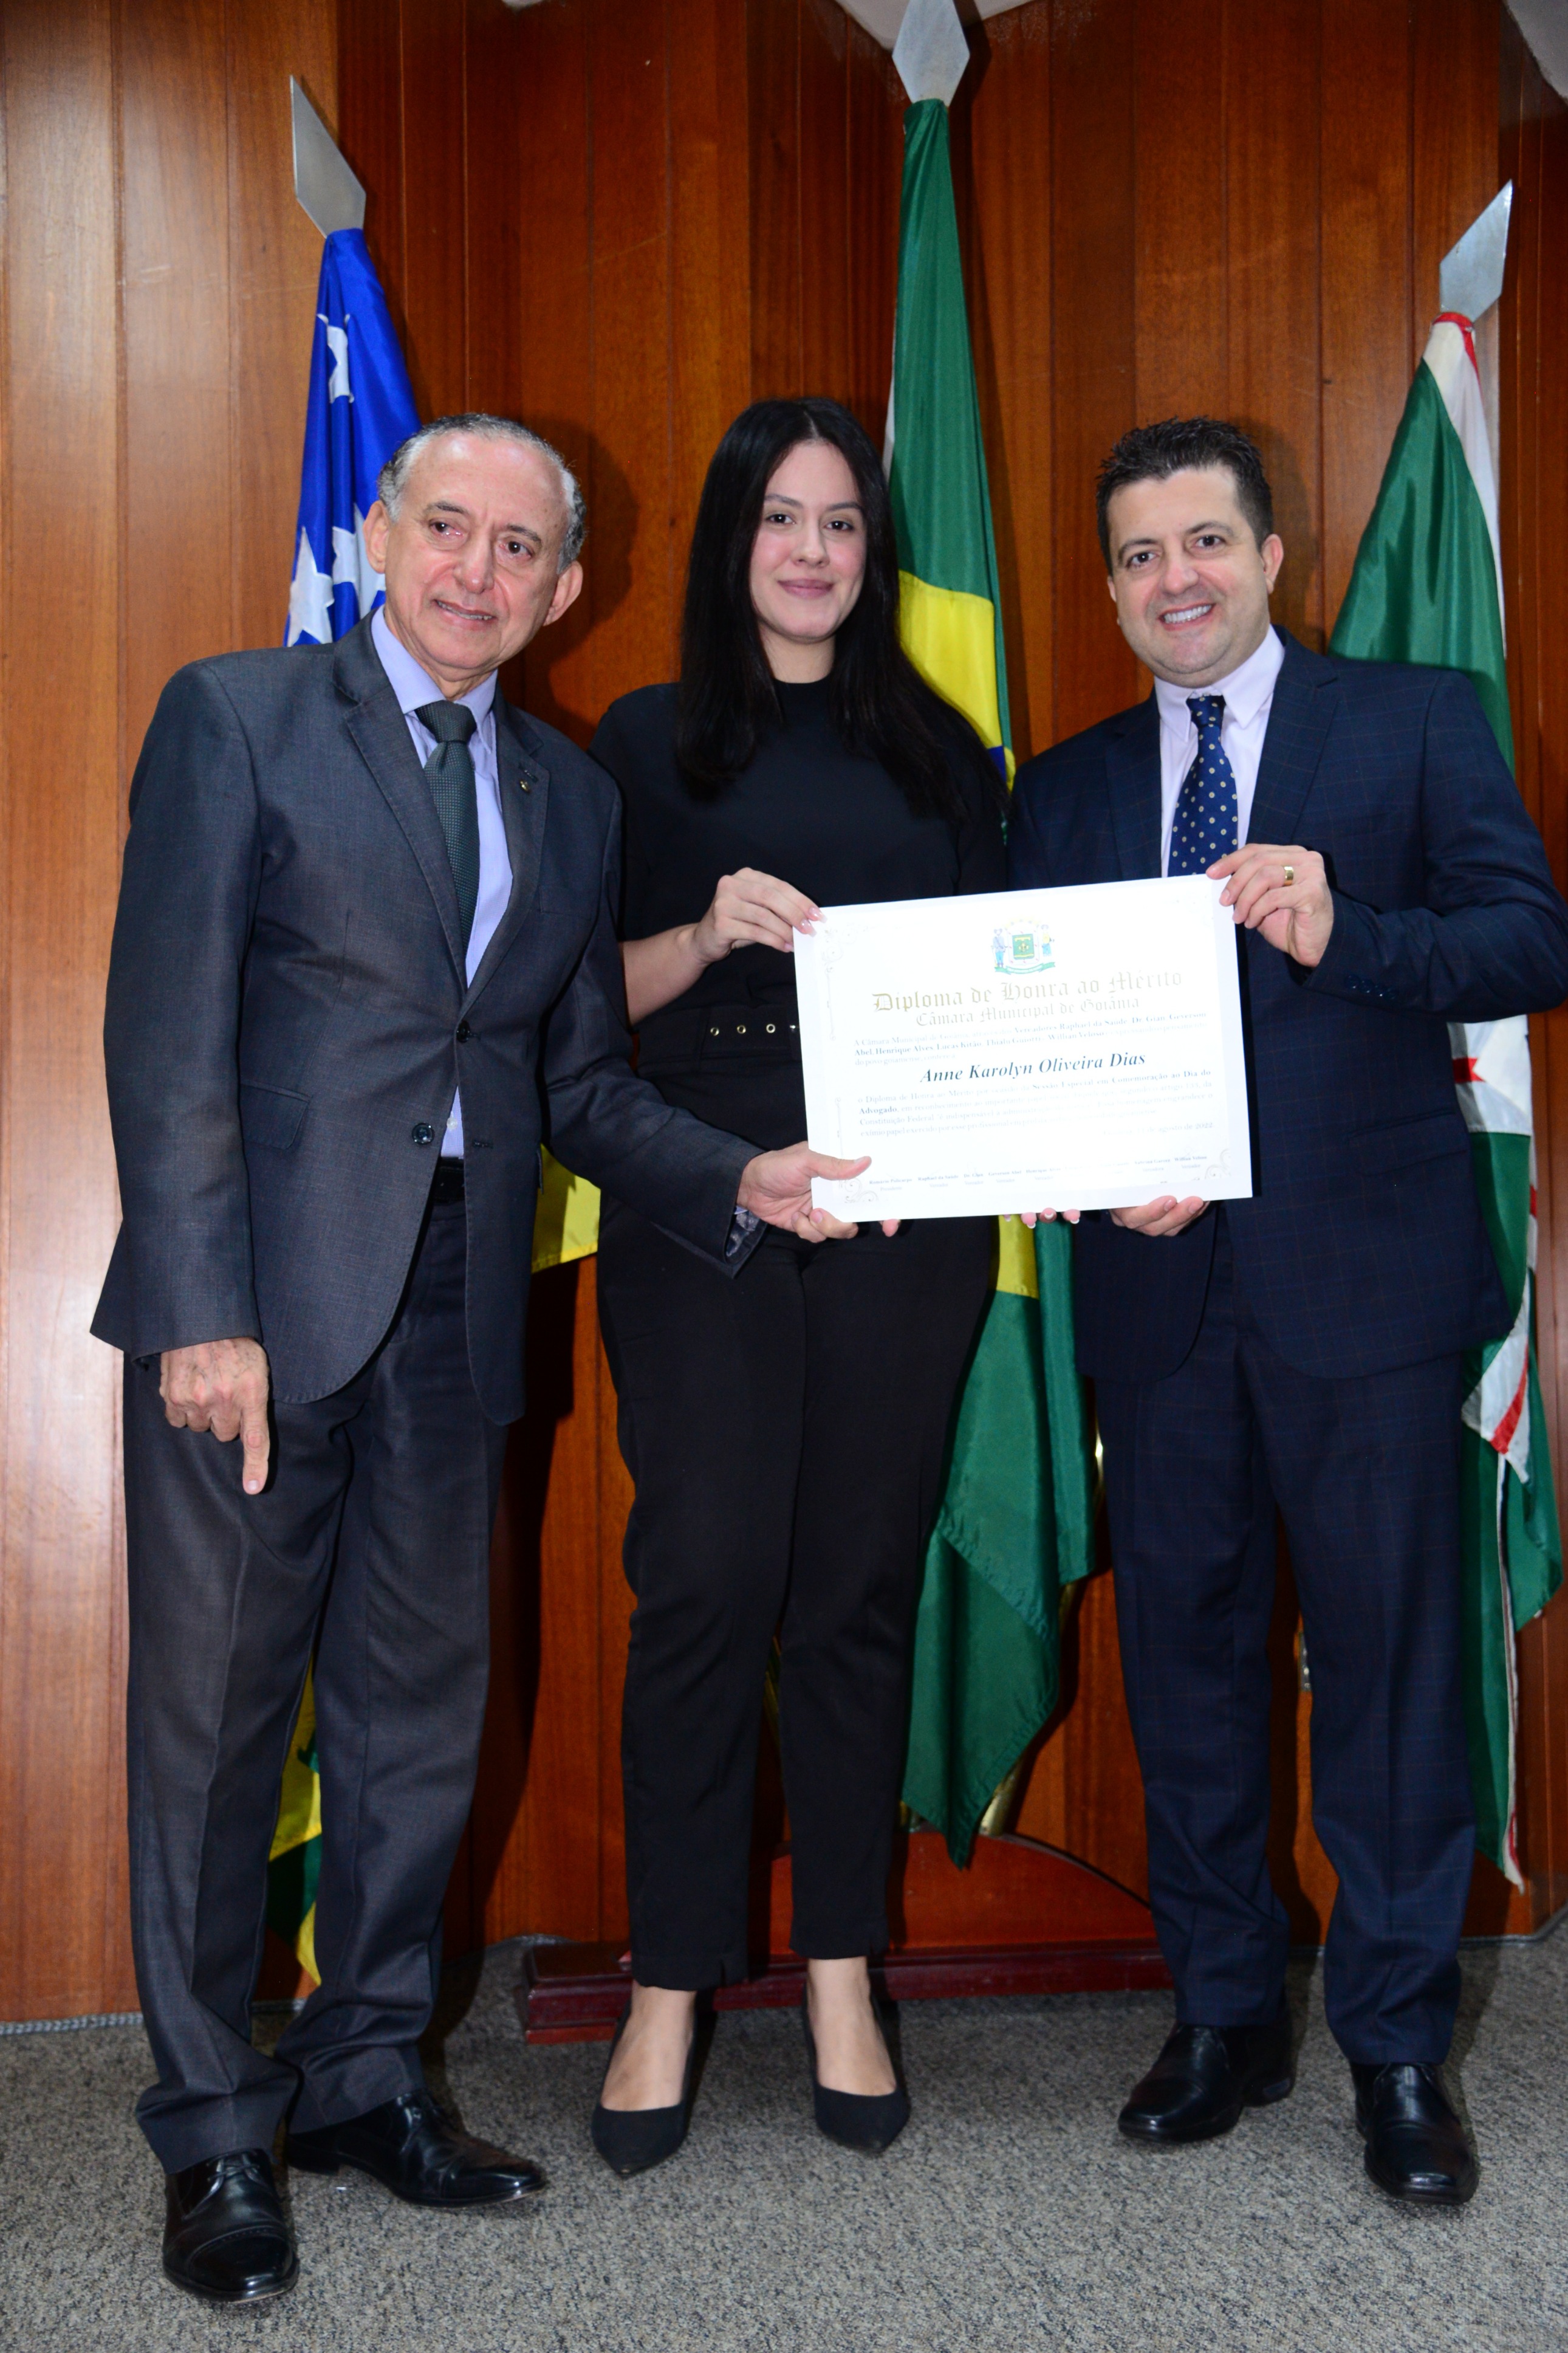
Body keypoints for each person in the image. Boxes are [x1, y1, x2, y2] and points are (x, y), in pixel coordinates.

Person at [93, 413, 868, 2305]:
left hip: (463, 1301)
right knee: (217, 1729)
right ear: (382, 531)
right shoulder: (239, 717)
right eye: (448, 527)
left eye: (520, 550)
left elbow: (578, 1080)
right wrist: (199, 1308)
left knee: (418, 1721)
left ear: (565, 589)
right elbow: (165, 1025)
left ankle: (365, 2080)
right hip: (260, 1302)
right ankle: (215, 2133)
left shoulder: (568, 795)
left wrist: (739, 1177)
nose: (477, 569)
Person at [1008, 416, 1568, 2207]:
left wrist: (1354, 931)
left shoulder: (1411, 723)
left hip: (1368, 1292)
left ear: (1268, 554)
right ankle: (1225, 2012)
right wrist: (1071, 1156)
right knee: (1187, 1672)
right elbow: (1037, 1034)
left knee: (1392, 1674)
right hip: (1158, 1297)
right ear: (1113, 591)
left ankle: (1397, 2047)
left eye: (1205, 543)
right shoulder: (1067, 788)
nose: (1174, 579)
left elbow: (1532, 939)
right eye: (1139, 555)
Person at [584, 397, 1005, 2174]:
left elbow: (999, 995)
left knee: (854, 1593)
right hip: (701, 1207)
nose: (814, 551)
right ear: (730, 538)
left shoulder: (944, 750)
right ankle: (667, 1986)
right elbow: (573, 1006)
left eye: (841, 522)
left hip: (907, 1222)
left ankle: (842, 1973)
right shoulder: (641, 740)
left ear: (872, 548)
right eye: (781, 518)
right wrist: (703, 933)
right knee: (700, 1586)